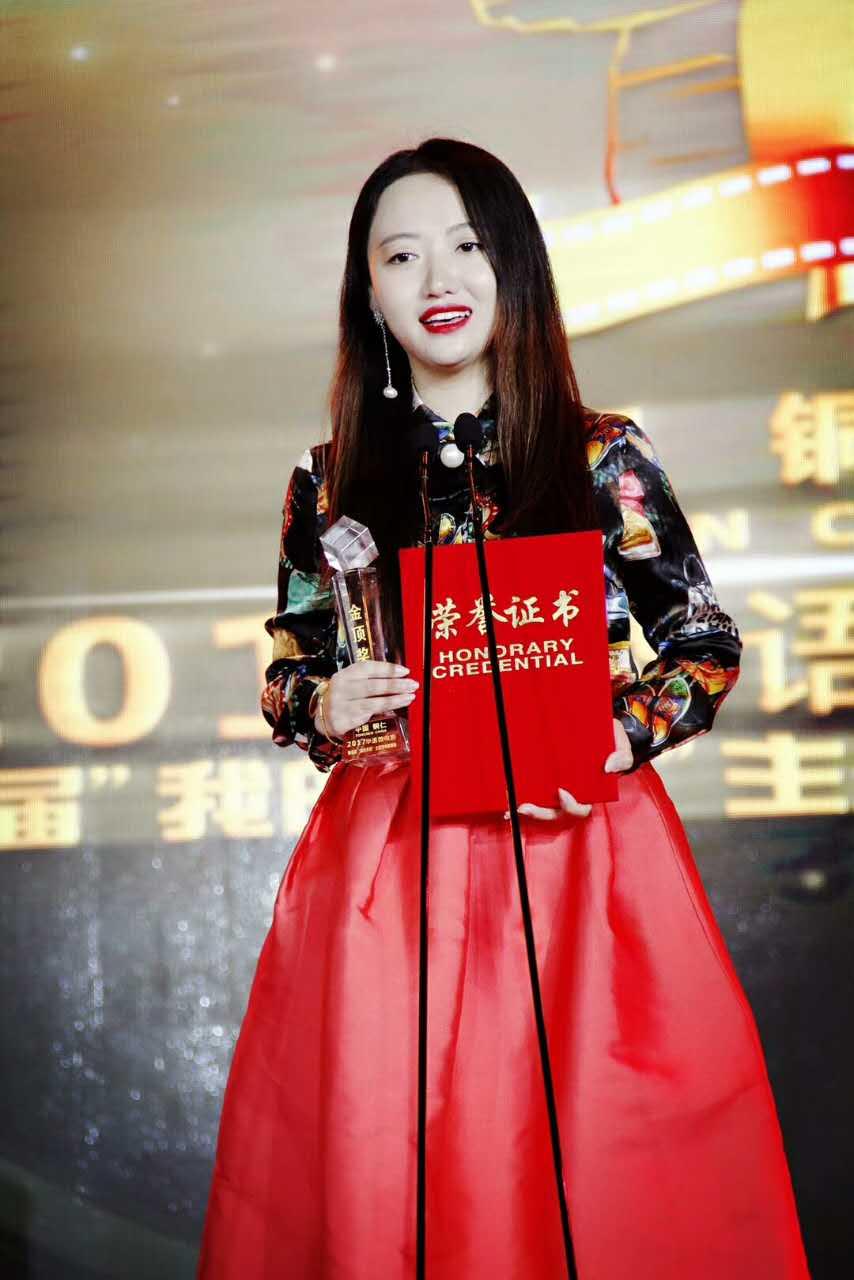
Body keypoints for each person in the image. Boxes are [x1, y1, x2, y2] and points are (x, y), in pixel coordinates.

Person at [197, 138, 810, 1279]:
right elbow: (287, 669)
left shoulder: (598, 454)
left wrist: (619, 732)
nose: (438, 279)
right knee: (393, 1154)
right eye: (401, 257)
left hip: (578, 845)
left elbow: (702, 640)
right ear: (368, 294)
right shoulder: (328, 480)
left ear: (513, 264)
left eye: (467, 246)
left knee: (596, 1159)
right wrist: (325, 702)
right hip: (393, 862)